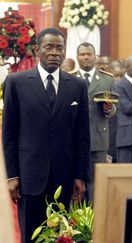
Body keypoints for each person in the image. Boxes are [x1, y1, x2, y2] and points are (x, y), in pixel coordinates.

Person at [2, 28, 90, 243]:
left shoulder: (77, 85)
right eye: (49, 47)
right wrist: (12, 176)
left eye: (59, 48)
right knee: (31, 234)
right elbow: (9, 134)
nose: (54, 53)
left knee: (62, 234)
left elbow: (82, 134)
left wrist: (80, 175)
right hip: (29, 176)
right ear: (37, 50)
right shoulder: (16, 82)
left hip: (64, 175)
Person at [72, 42, 116, 200]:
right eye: (82, 54)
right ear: (77, 57)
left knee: (97, 184)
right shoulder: (70, 78)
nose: (86, 57)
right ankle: (75, 222)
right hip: (75, 140)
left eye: (89, 54)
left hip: (98, 139)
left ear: (95, 56)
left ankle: (95, 220)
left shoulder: (107, 80)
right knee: (76, 183)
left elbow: (115, 107)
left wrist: (108, 109)